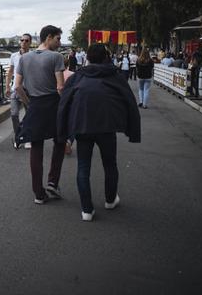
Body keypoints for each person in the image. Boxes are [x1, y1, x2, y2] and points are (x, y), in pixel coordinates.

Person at [58, 43, 140, 221]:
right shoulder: (114, 75)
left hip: (83, 125)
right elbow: (128, 99)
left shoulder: (78, 76)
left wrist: (63, 131)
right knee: (110, 164)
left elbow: (64, 102)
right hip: (106, 126)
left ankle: (87, 210)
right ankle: (110, 200)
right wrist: (131, 126)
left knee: (83, 167)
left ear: (87, 57)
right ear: (106, 57)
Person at [14, 25, 66, 204]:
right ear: (49, 37)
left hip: (35, 104)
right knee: (60, 141)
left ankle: (38, 193)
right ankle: (52, 181)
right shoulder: (57, 57)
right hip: (53, 103)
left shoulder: (24, 58)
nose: (60, 43)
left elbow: (18, 86)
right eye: (58, 39)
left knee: (36, 148)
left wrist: (29, 103)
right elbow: (60, 87)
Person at [5, 33, 32, 149]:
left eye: (26, 40)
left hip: (28, 90)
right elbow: (10, 72)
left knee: (29, 115)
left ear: (30, 43)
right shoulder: (14, 56)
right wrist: (7, 86)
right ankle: (18, 136)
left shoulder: (33, 56)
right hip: (15, 89)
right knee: (14, 114)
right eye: (22, 40)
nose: (24, 42)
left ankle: (27, 138)